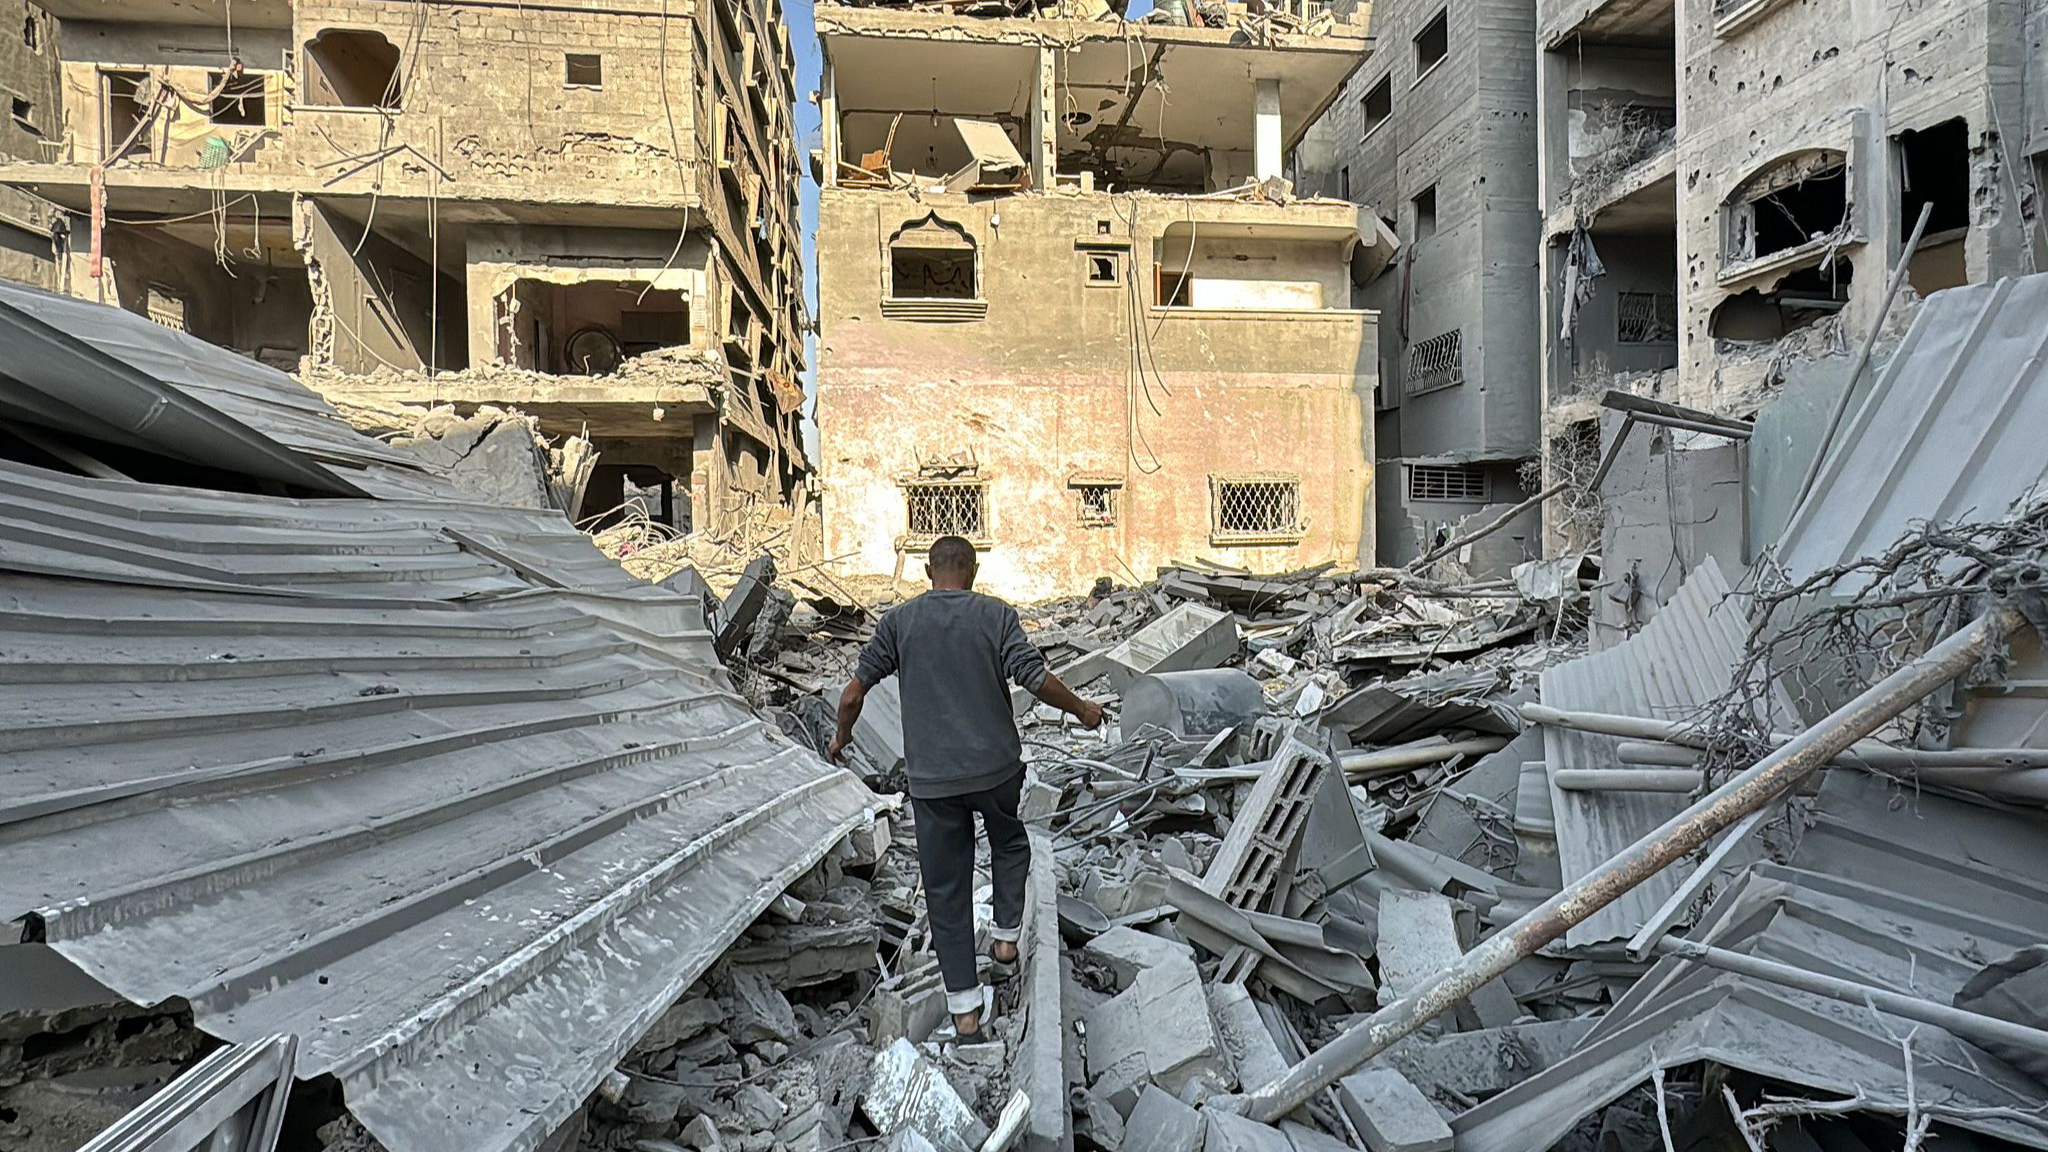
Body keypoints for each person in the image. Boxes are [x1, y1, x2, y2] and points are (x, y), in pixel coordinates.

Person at [827, 535, 1105, 1042]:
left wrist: (841, 738)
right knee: (1010, 841)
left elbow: (851, 695)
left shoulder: (899, 623)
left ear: (928, 571)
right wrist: (1083, 709)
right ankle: (1003, 941)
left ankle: (965, 1016)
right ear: (973, 573)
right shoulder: (996, 615)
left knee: (946, 890)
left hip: (933, 784)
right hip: (996, 770)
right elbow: (1035, 678)